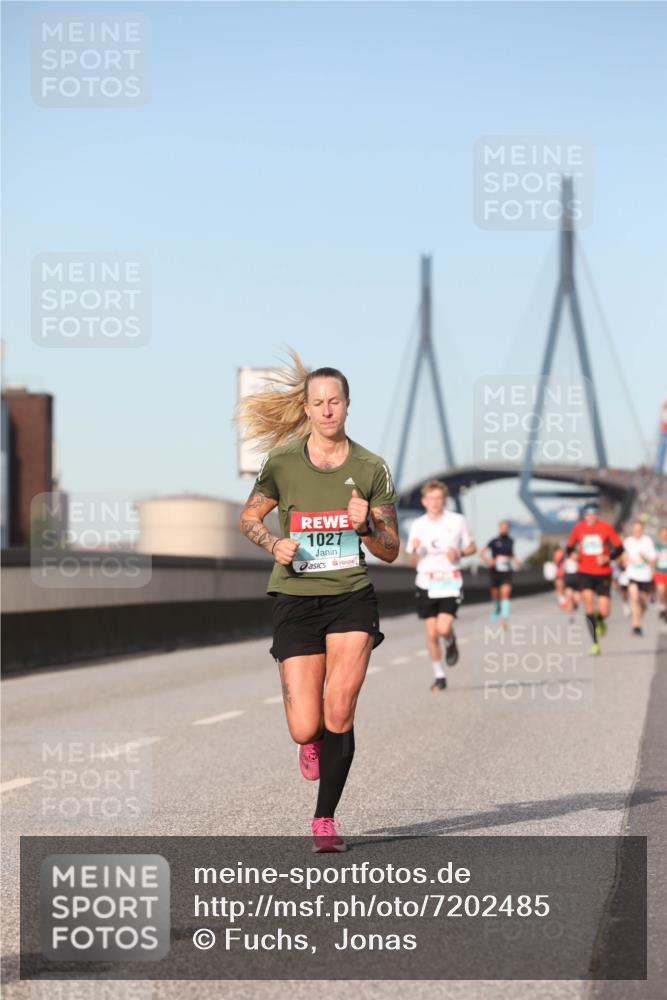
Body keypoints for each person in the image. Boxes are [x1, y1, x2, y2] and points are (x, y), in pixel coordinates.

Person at [237, 353, 399, 853]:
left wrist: (367, 526)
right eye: (318, 403)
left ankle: (324, 820)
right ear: (306, 409)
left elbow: (392, 549)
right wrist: (273, 543)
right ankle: (311, 743)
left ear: (348, 406)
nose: (327, 411)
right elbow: (248, 519)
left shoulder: (370, 467)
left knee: (340, 708)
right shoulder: (282, 463)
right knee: (306, 725)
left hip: (351, 596)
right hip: (295, 597)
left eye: (335, 402)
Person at [407, 480, 476, 692]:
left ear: (444, 500)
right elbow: (413, 562)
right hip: (426, 581)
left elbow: (472, 547)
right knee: (431, 634)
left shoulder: (457, 521)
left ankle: (451, 640)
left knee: (443, 628)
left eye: (439, 498)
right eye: (431, 499)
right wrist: (415, 550)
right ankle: (439, 675)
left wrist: (460, 553)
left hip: (449, 581)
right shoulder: (417, 525)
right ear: (424, 501)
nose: (435, 503)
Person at [566, 501, 624, 656]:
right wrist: (572, 554)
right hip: (584, 572)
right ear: (584, 515)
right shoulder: (578, 528)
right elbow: (569, 547)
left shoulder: (606, 527)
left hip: (603, 573)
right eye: (587, 514)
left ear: (597, 514)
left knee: (604, 611)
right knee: (588, 604)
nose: (590, 517)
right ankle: (595, 644)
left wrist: (608, 557)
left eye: (593, 514)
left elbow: (619, 548)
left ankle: (601, 620)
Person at [480, 520, 519, 626]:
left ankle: (504, 618)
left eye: (506, 527)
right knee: (495, 594)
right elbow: (482, 553)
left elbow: (511, 553)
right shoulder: (493, 541)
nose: (504, 529)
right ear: (499, 528)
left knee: (505, 593)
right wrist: (488, 561)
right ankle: (497, 608)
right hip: (495, 571)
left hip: (506, 570)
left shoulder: (511, 541)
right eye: (502, 527)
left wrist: (516, 561)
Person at [622, 520, 657, 636]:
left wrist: (645, 559)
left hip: (645, 576)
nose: (637, 532)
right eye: (635, 530)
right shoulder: (627, 542)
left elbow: (653, 561)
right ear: (632, 530)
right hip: (632, 575)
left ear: (642, 530)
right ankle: (635, 625)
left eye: (639, 530)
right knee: (634, 598)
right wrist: (624, 560)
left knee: (643, 602)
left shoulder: (647, 541)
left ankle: (638, 624)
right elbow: (622, 557)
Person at [654, 526, 667, 622]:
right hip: (659, 572)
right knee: (661, 590)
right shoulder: (656, 546)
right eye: (663, 534)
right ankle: (661, 606)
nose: (665, 536)